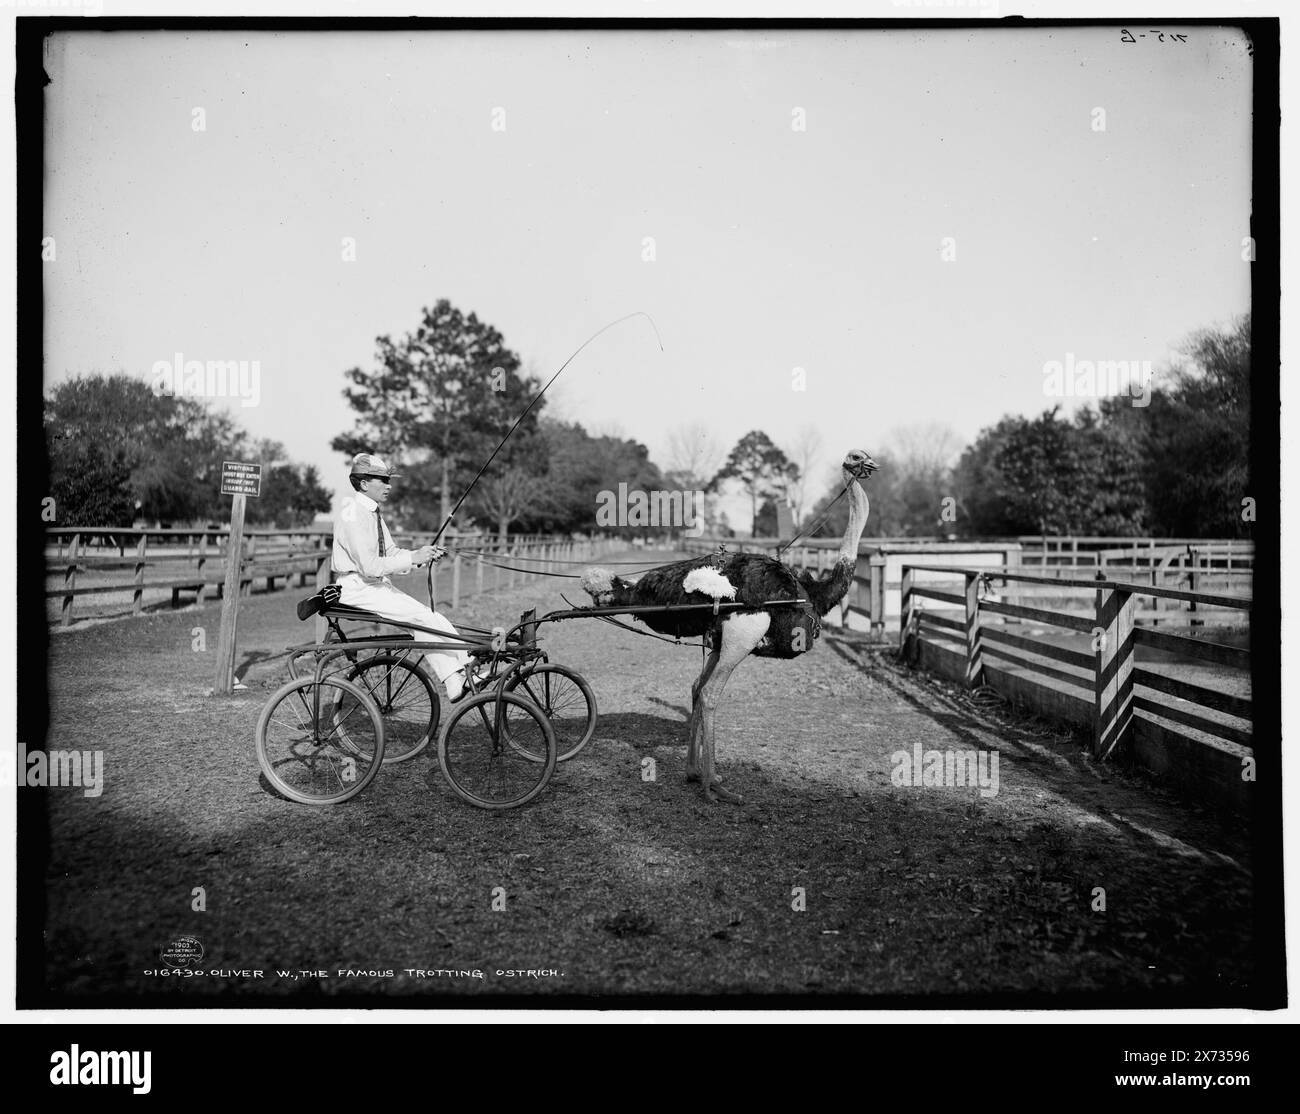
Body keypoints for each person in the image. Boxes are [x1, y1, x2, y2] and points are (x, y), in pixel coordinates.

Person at [332, 453, 475, 702]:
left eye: (388, 480)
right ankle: (453, 678)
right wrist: (413, 558)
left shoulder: (373, 512)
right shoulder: (353, 514)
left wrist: (421, 555)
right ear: (364, 484)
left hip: (373, 586)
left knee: (431, 617)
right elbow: (369, 566)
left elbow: (391, 553)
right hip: (357, 588)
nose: (388, 486)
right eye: (382, 480)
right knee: (420, 619)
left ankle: (467, 669)